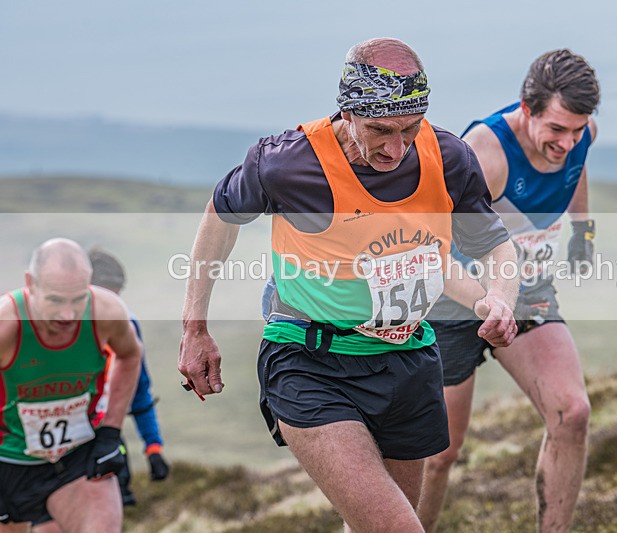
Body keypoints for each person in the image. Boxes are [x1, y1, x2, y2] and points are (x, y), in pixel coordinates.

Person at [178, 37, 519, 532]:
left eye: (409, 128)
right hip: (310, 361)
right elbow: (220, 215)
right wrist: (195, 327)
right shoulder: (288, 163)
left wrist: (501, 300)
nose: (396, 148)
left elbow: (492, 244)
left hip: (408, 361)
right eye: (380, 130)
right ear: (348, 111)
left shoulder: (448, 158)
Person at [417, 49, 601, 533]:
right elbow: (431, 244)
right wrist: (484, 300)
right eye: (556, 130)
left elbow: (577, 166)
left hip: (527, 291)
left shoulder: (581, 136)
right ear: (526, 107)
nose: (567, 142)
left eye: (578, 130)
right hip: (454, 300)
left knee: (572, 411)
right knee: (439, 454)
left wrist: (584, 233)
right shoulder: (483, 152)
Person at [0, 238, 142, 532]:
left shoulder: (106, 312)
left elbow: (130, 354)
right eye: (55, 300)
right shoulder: (6, 324)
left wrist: (110, 433)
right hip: (8, 460)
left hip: (77, 454)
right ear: (31, 284)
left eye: (78, 299)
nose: (68, 315)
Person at [87, 247, 171, 497]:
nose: (114, 304)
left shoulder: (126, 325)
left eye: (118, 295)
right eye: (107, 295)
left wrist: (153, 448)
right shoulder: (62, 326)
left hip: (106, 437)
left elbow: (139, 389)